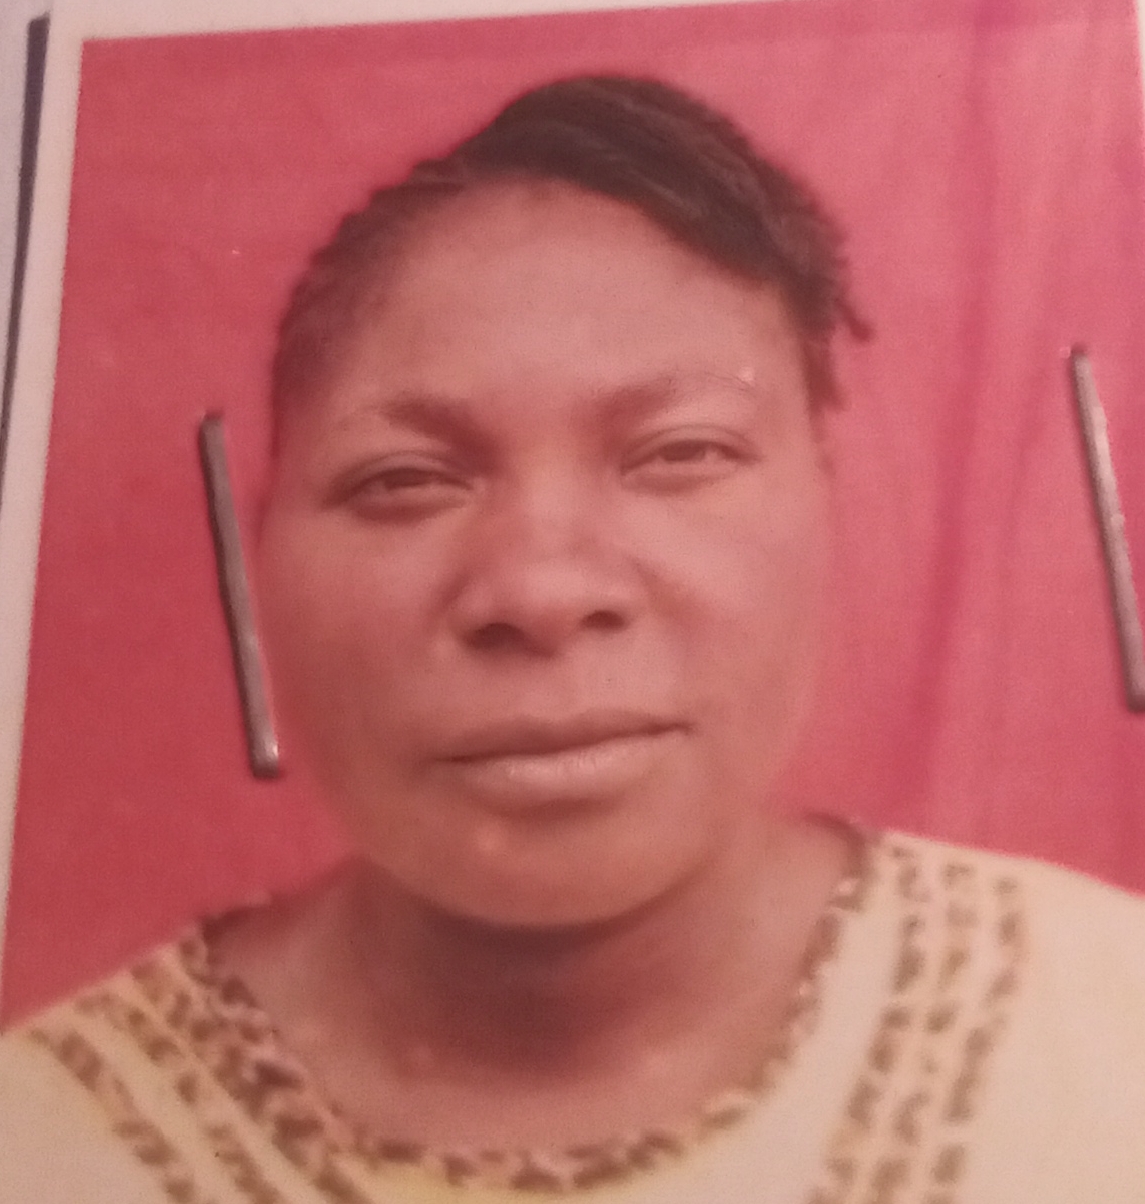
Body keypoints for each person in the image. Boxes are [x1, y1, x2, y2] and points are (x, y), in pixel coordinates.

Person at [2, 74, 1145, 1204]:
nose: (541, 590)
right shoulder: (45, 1140)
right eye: (404, 478)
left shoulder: (1101, 1020)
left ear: (825, 499)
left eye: (680, 453)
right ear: (256, 556)